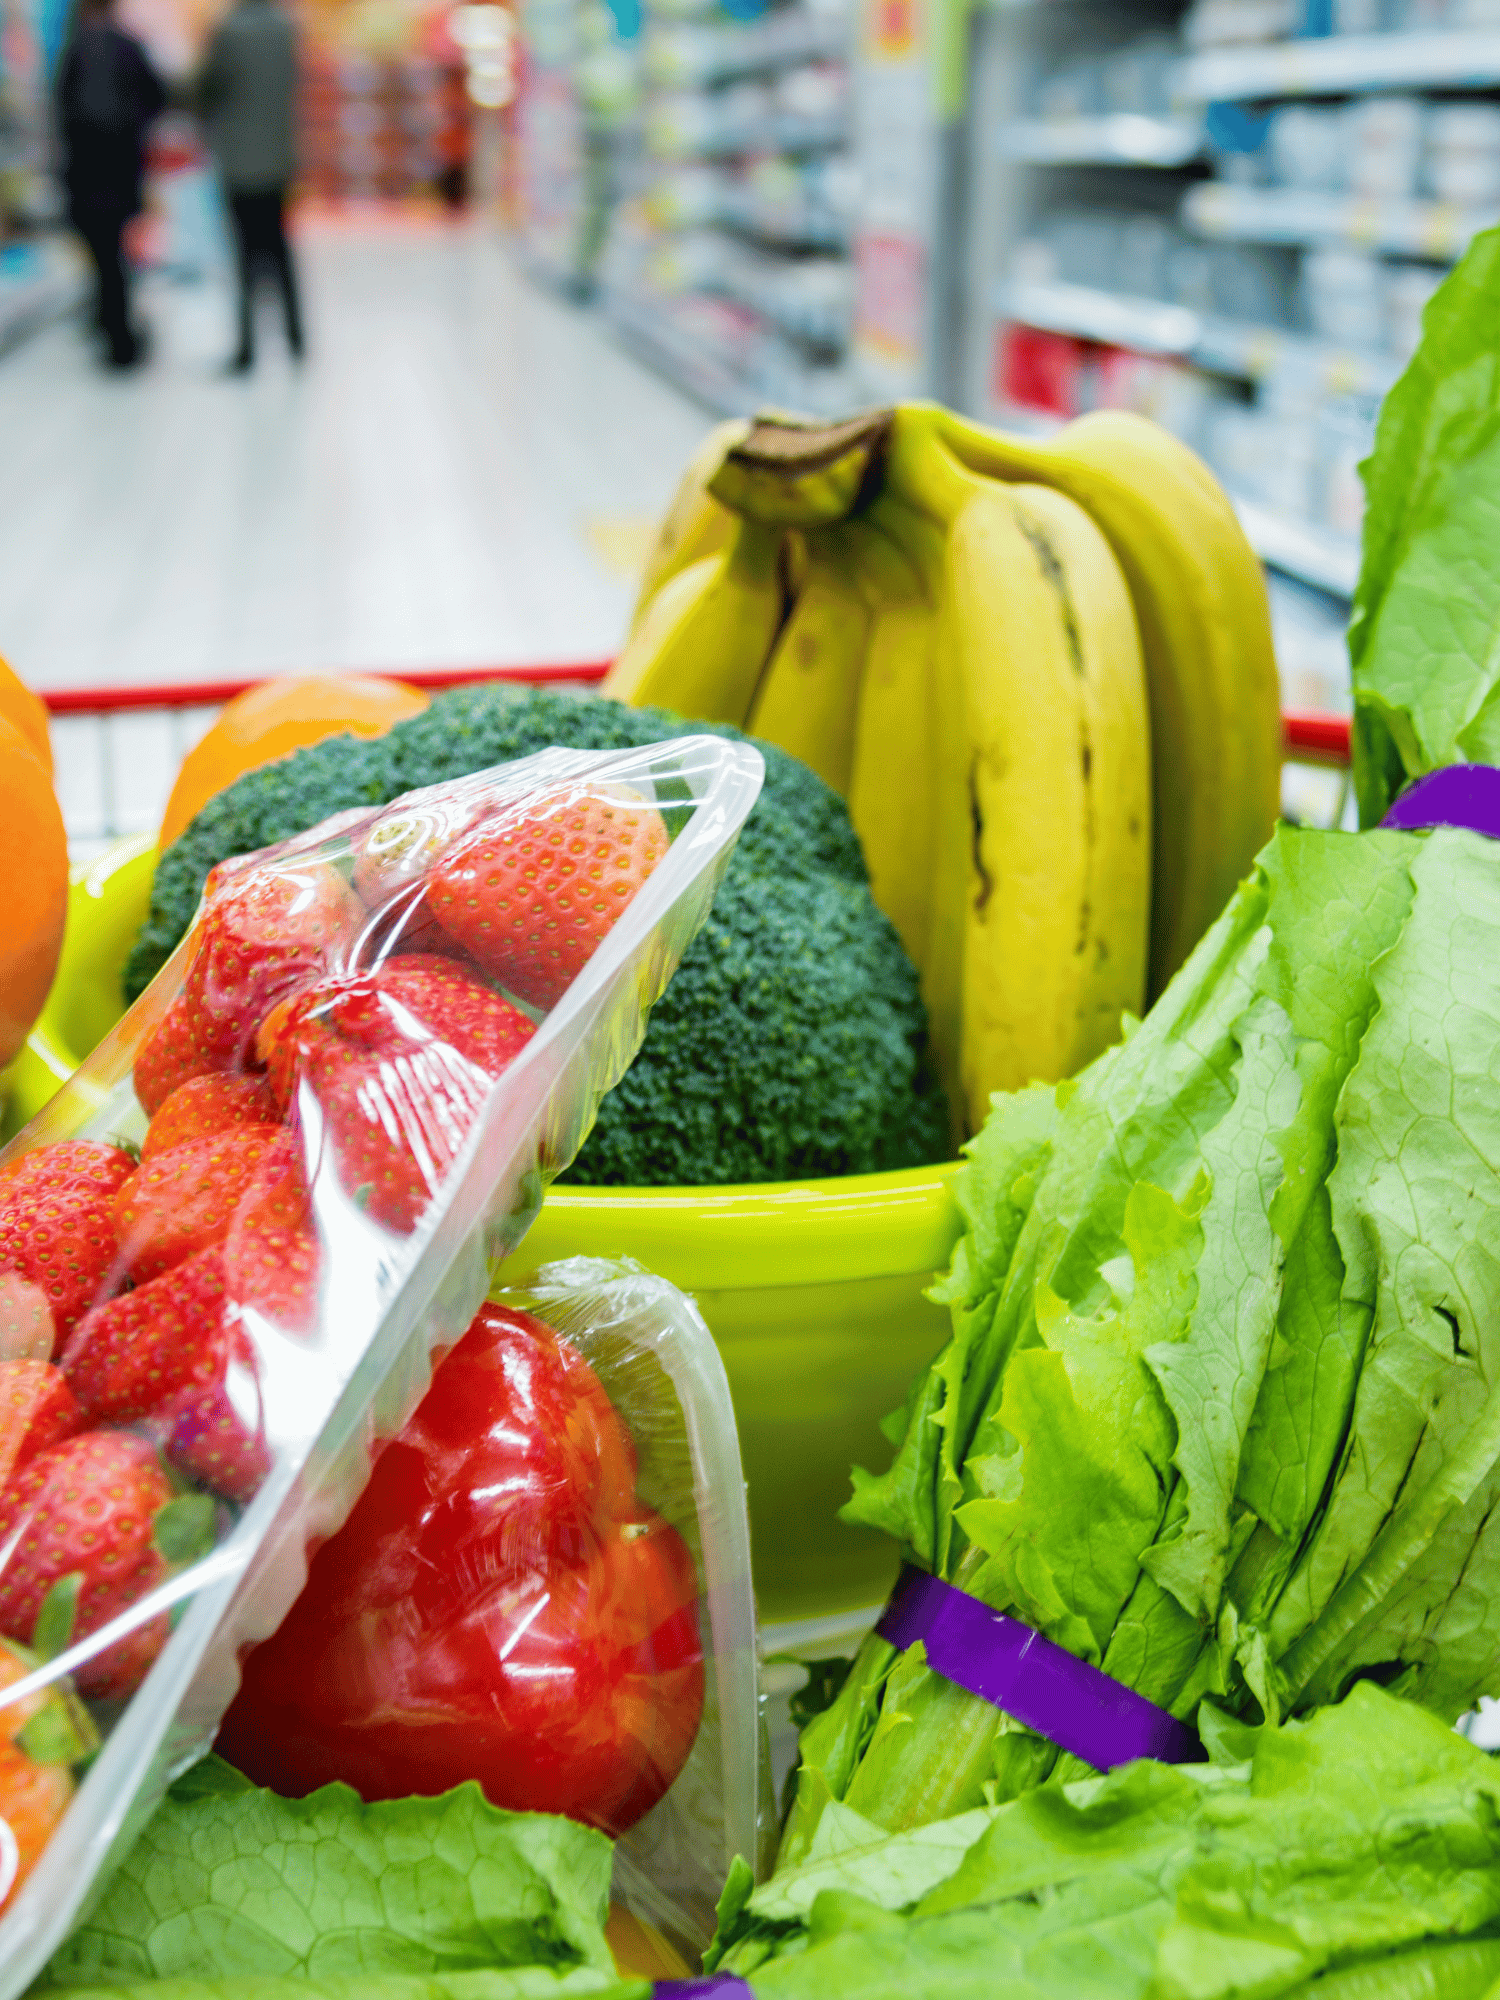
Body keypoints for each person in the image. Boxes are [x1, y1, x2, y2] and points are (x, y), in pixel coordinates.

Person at [56, 0, 165, 369]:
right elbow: (158, 97)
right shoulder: (129, 46)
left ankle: (113, 331)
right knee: (118, 252)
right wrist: (136, 130)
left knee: (103, 255)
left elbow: (61, 111)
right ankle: (119, 335)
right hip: (122, 169)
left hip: (86, 172)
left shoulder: (74, 49)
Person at [197, 0, 303, 372]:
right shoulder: (286, 28)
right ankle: (295, 339)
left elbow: (207, 89)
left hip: (239, 159)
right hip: (278, 155)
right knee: (280, 248)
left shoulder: (228, 31)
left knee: (244, 253)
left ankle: (247, 347)